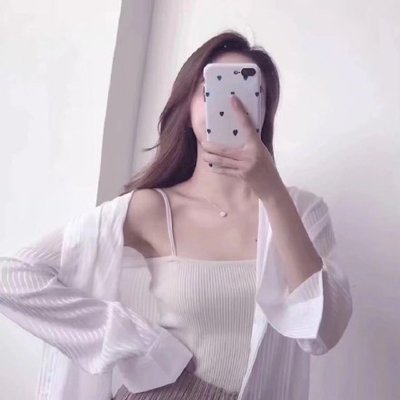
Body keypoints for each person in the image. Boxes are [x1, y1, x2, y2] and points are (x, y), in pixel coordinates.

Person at [0, 30, 353, 400]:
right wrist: (139, 342)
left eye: (250, 91)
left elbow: (325, 330)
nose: (232, 103)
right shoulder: (153, 208)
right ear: (187, 108)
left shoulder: (301, 210)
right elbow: (13, 277)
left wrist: (272, 192)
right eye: (213, 89)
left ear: (265, 112)